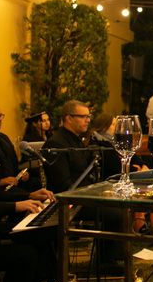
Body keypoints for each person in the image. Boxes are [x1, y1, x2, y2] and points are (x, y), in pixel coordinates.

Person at [43, 100, 124, 268]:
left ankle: (111, 257)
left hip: (83, 195)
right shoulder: (56, 143)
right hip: (70, 201)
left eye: (89, 116)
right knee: (115, 213)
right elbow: (63, 185)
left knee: (121, 203)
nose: (88, 120)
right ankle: (106, 262)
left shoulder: (78, 140)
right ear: (68, 118)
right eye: (83, 117)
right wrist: (93, 194)